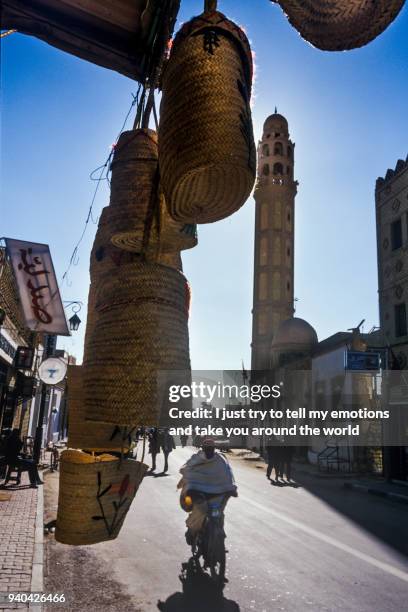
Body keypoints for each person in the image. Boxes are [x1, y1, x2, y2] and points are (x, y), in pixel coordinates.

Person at [177, 438, 237, 543]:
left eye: (211, 448)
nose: (209, 450)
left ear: (214, 449)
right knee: (199, 512)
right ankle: (192, 531)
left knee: (219, 514)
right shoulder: (197, 458)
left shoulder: (220, 459)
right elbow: (186, 469)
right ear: (203, 448)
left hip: (217, 495)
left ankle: (220, 537)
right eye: (207, 448)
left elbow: (227, 475)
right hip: (200, 493)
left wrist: (229, 488)